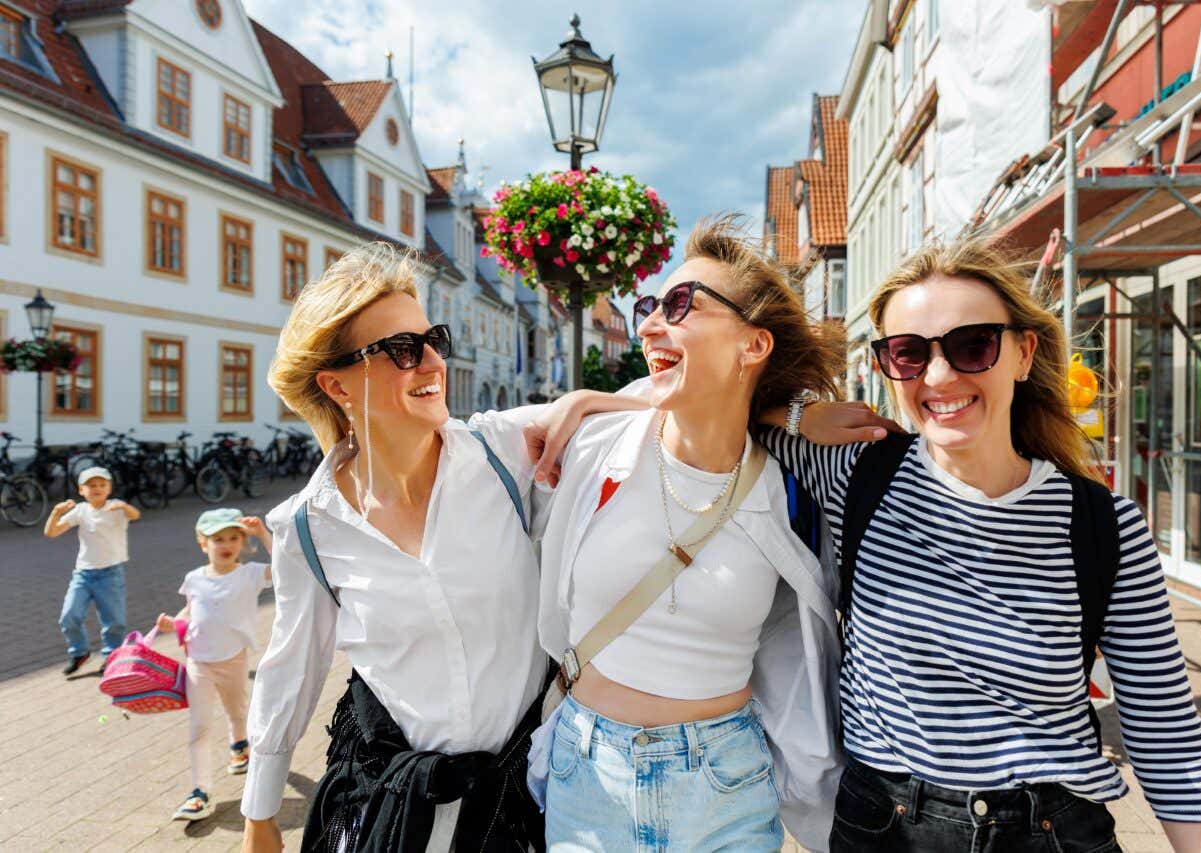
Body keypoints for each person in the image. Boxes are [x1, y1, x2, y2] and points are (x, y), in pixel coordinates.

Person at [758, 239, 1201, 852]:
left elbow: (1163, 727)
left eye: (972, 345)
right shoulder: (856, 475)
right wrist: (798, 417)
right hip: (886, 827)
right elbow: (710, 407)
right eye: (907, 353)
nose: (938, 375)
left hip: (1049, 831)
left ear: (1023, 353)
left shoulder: (1102, 525)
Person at [240, 243, 640, 853]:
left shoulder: (504, 453)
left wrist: (792, 414)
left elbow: (669, 413)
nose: (431, 362)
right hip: (397, 804)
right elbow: (290, 668)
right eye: (402, 350)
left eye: (434, 340)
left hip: (527, 793)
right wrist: (260, 817)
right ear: (336, 384)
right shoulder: (308, 528)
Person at [530, 216, 888, 852]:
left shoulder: (793, 484)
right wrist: (584, 399)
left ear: (753, 346)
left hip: (727, 781)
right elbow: (442, 448)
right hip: (586, 772)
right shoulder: (590, 446)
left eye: (679, 304)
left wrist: (794, 412)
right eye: (649, 307)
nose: (647, 325)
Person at [154, 507, 273, 821]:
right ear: (202, 543)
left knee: (237, 711)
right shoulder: (194, 578)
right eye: (218, 538)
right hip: (198, 663)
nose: (227, 544)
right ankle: (200, 792)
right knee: (200, 728)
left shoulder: (250, 574)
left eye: (234, 537)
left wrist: (263, 534)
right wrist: (173, 623)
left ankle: (239, 743)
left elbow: (288, 568)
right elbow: (191, 610)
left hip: (233, 660)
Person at [44, 466, 140, 676]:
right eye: (91, 485)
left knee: (113, 622)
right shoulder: (80, 511)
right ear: (81, 490)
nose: (97, 488)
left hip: (110, 574)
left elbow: (135, 515)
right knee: (68, 616)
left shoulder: (115, 506)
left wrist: (124, 507)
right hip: (83, 574)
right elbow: (51, 532)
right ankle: (80, 652)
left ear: (109, 488)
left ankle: (112, 657)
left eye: (102, 485)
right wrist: (56, 512)